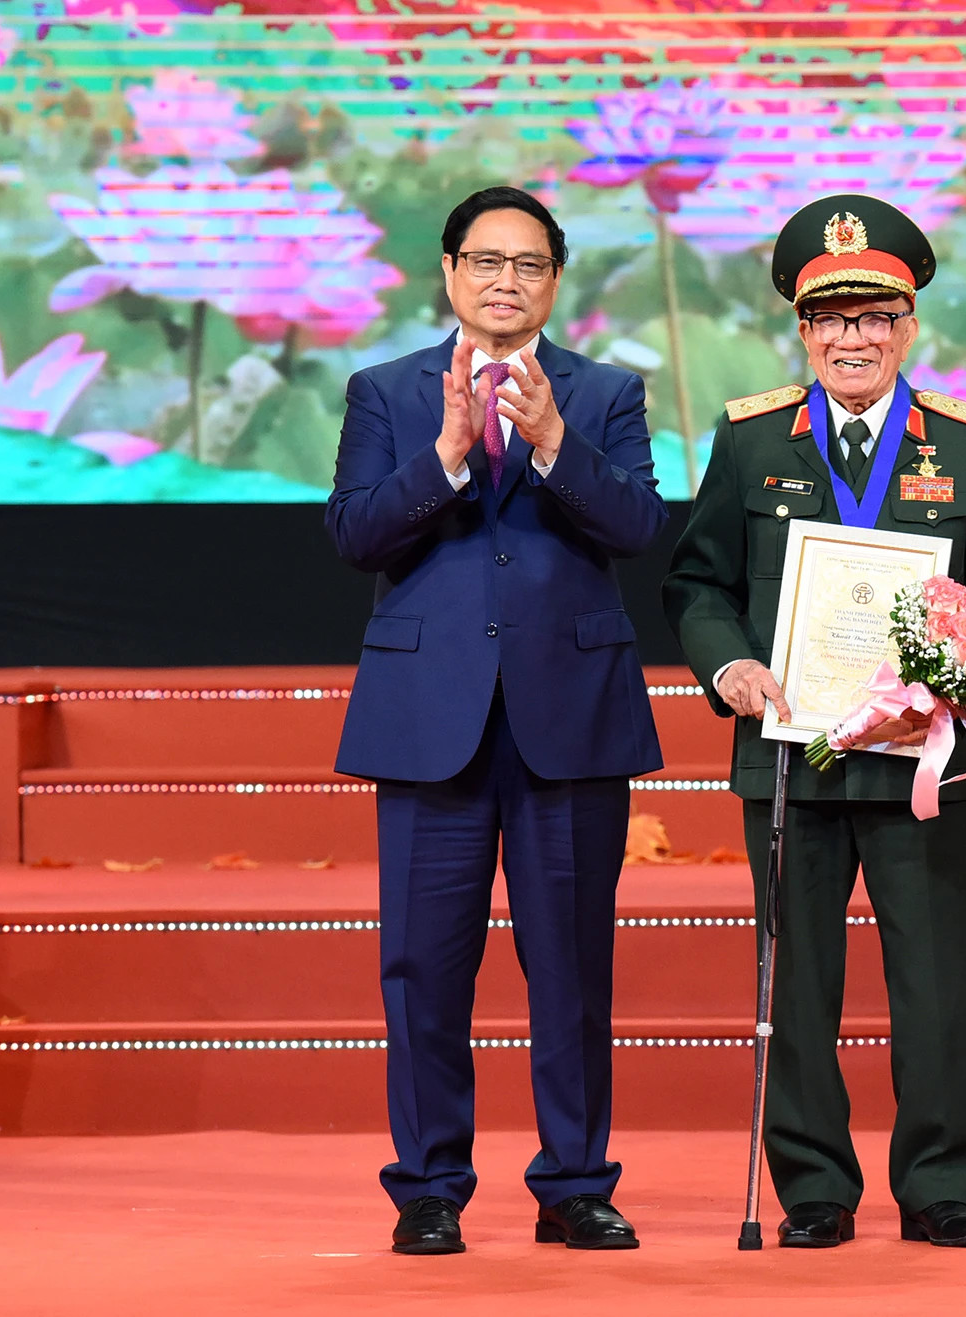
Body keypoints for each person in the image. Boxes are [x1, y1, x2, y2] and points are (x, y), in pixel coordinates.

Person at [663, 194, 966, 1250]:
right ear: (803, 328)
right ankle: (815, 1189)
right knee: (799, 981)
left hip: (922, 762)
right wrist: (731, 664)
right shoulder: (750, 442)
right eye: (833, 319)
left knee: (934, 981)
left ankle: (939, 1186)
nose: (855, 339)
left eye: (877, 317)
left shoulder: (965, 445)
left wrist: (960, 680)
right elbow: (698, 583)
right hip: (790, 754)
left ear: (909, 325)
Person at [327, 186, 667, 1255]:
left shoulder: (605, 393)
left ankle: (574, 1181)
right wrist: (446, 457)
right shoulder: (385, 391)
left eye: (528, 265)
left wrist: (557, 442)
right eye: (486, 261)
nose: (505, 280)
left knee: (571, 963)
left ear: (555, 282)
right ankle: (429, 1185)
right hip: (431, 718)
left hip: (568, 717)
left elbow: (640, 524)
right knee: (424, 967)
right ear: (450, 272)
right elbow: (353, 535)